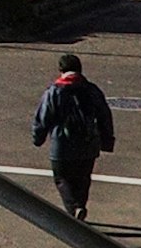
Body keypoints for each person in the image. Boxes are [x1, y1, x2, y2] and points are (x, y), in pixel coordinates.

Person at [35, 52, 117, 224]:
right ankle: (80, 205)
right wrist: (107, 140)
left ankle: (73, 208)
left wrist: (38, 137)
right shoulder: (91, 90)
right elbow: (104, 115)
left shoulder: (53, 92)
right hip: (88, 143)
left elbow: (43, 118)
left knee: (62, 178)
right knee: (83, 177)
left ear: (61, 70)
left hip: (62, 145)